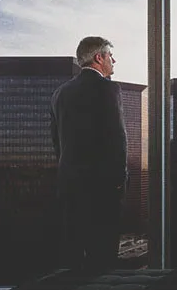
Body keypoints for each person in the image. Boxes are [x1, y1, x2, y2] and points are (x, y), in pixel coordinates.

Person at [50, 36, 127, 271]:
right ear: (99, 57)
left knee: (72, 255)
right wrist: (119, 181)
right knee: (102, 256)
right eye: (110, 56)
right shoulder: (108, 88)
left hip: (70, 185)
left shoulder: (60, 93)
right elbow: (117, 139)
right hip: (102, 189)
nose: (114, 60)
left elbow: (57, 143)